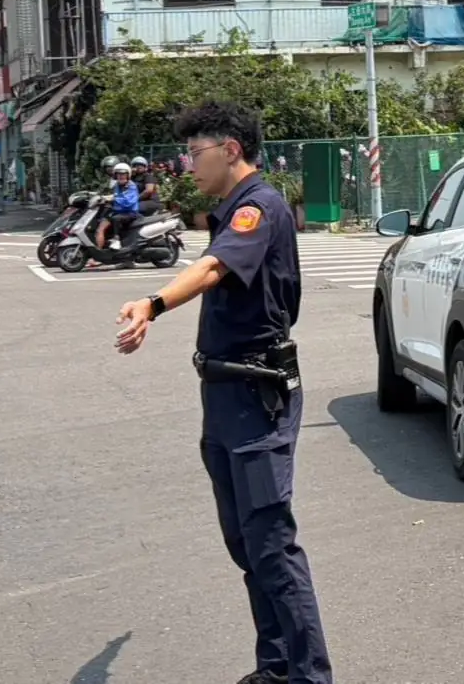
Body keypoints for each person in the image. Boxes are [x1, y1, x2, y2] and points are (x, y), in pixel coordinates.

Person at [114, 101, 333, 684]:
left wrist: (153, 304)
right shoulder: (233, 207)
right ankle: (277, 667)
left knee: (270, 546)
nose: (188, 164)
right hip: (227, 395)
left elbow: (213, 269)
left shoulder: (257, 207)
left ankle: (310, 677)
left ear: (230, 150)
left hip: (257, 397)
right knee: (246, 546)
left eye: (195, 152)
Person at [97, 162, 141, 250]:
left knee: (115, 219)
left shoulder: (131, 186)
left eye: (123, 174)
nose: (121, 176)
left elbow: (128, 203)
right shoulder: (117, 185)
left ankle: (116, 240)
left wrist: (113, 199)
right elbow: (114, 196)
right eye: (118, 174)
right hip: (118, 212)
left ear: (128, 175)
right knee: (101, 222)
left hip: (130, 213)